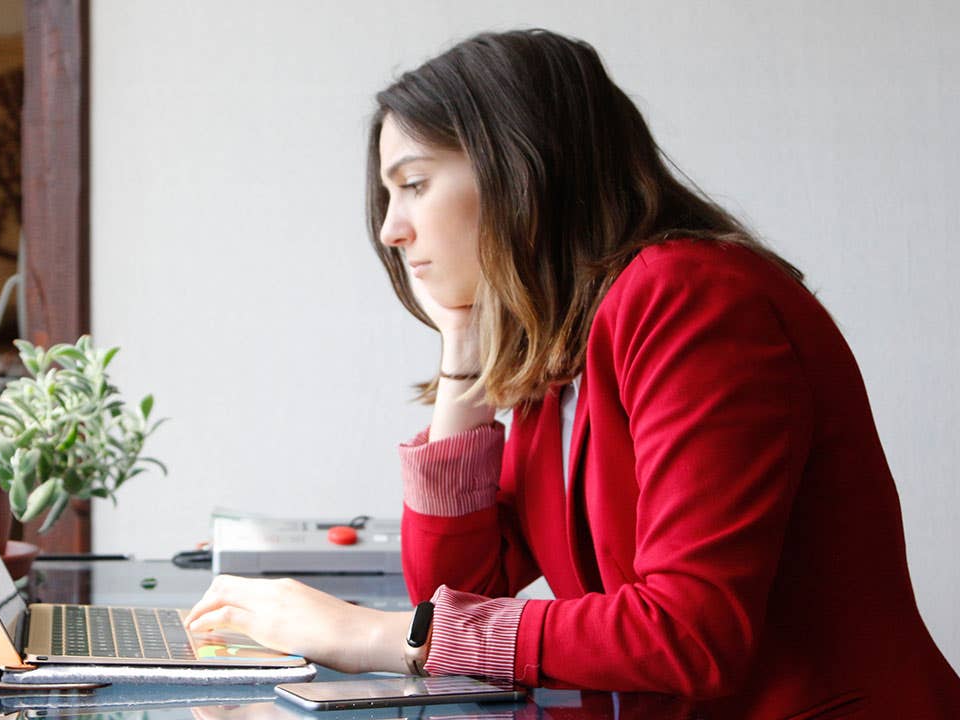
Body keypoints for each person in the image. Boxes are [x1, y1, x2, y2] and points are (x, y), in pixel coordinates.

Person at [184, 29, 960, 717]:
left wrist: (381, 636)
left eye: (414, 184)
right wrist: (464, 343)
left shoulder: (690, 296)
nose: (391, 228)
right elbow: (459, 589)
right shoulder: (564, 350)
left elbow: (691, 633)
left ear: (521, 168)